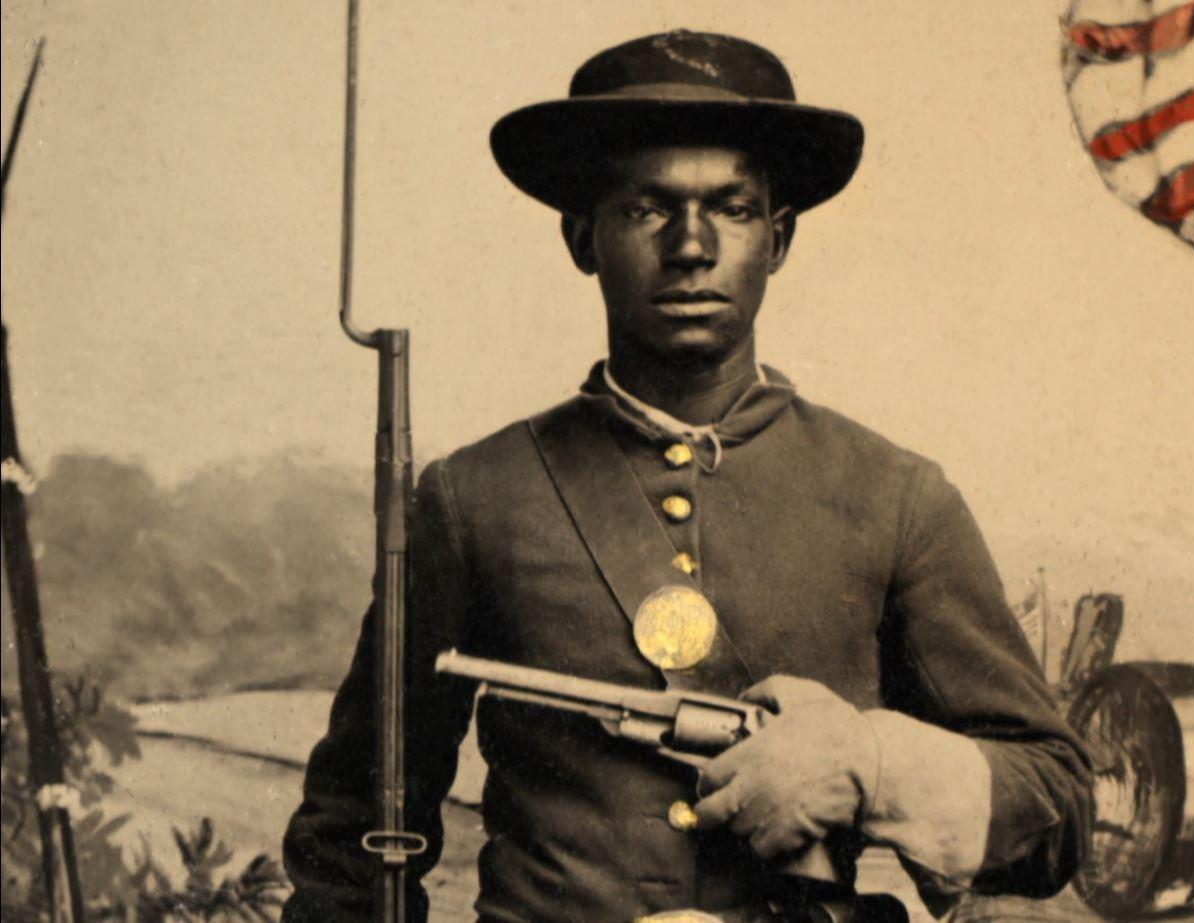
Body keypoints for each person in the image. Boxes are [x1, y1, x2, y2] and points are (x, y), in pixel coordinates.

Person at [282, 30, 1092, 923]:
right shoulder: (473, 498)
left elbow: (1054, 810)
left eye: (733, 208)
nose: (692, 246)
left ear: (777, 239)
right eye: (646, 208)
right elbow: (353, 832)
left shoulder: (895, 497)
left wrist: (870, 765)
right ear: (581, 237)